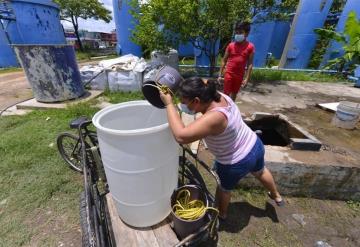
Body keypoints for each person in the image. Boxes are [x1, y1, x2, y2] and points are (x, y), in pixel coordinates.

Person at [159, 77, 284, 221]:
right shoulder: (215, 94)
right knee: (261, 171)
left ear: (197, 101)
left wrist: (169, 104)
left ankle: (222, 213)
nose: (182, 105)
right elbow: (202, 81)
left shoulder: (215, 117)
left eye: (185, 103)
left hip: (236, 161)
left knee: (224, 188)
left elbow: (181, 136)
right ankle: (276, 195)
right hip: (254, 145)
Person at [219, 21, 255, 101]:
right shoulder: (231, 45)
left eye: (241, 32)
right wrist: (220, 74)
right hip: (229, 73)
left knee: (234, 93)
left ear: (247, 33)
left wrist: (247, 78)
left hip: (239, 75)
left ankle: (232, 109)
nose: (238, 35)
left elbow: (250, 64)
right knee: (226, 94)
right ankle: (225, 110)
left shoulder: (250, 47)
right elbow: (224, 60)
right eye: (237, 32)